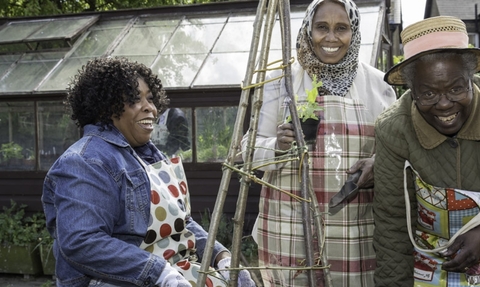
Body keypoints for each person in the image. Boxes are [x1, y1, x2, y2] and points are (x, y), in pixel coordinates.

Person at [41, 57, 255, 287]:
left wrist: (220, 257)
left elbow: (182, 223)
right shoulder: (85, 161)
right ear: (105, 107)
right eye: (134, 99)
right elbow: (82, 242)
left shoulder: (150, 156)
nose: (150, 108)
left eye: (150, 99)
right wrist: (161, 273)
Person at [240, 0, 396, 286]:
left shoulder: (378, 86)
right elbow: (249, 150)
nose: (331, 38)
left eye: (342, 28)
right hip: (290, 232)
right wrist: (278, 145)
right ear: (307, 29)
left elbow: (396, 153)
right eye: (321, 27)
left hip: (354, 232)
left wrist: (377, 164)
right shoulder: (280, 82)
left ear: (355, 31)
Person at [373, 16, 480, 286]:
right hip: (432, 266)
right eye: (429, 94)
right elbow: (392, 221)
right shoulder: (394, 128)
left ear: (472, 78)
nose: (445, 105)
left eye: (457, 88)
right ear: (411, 90)